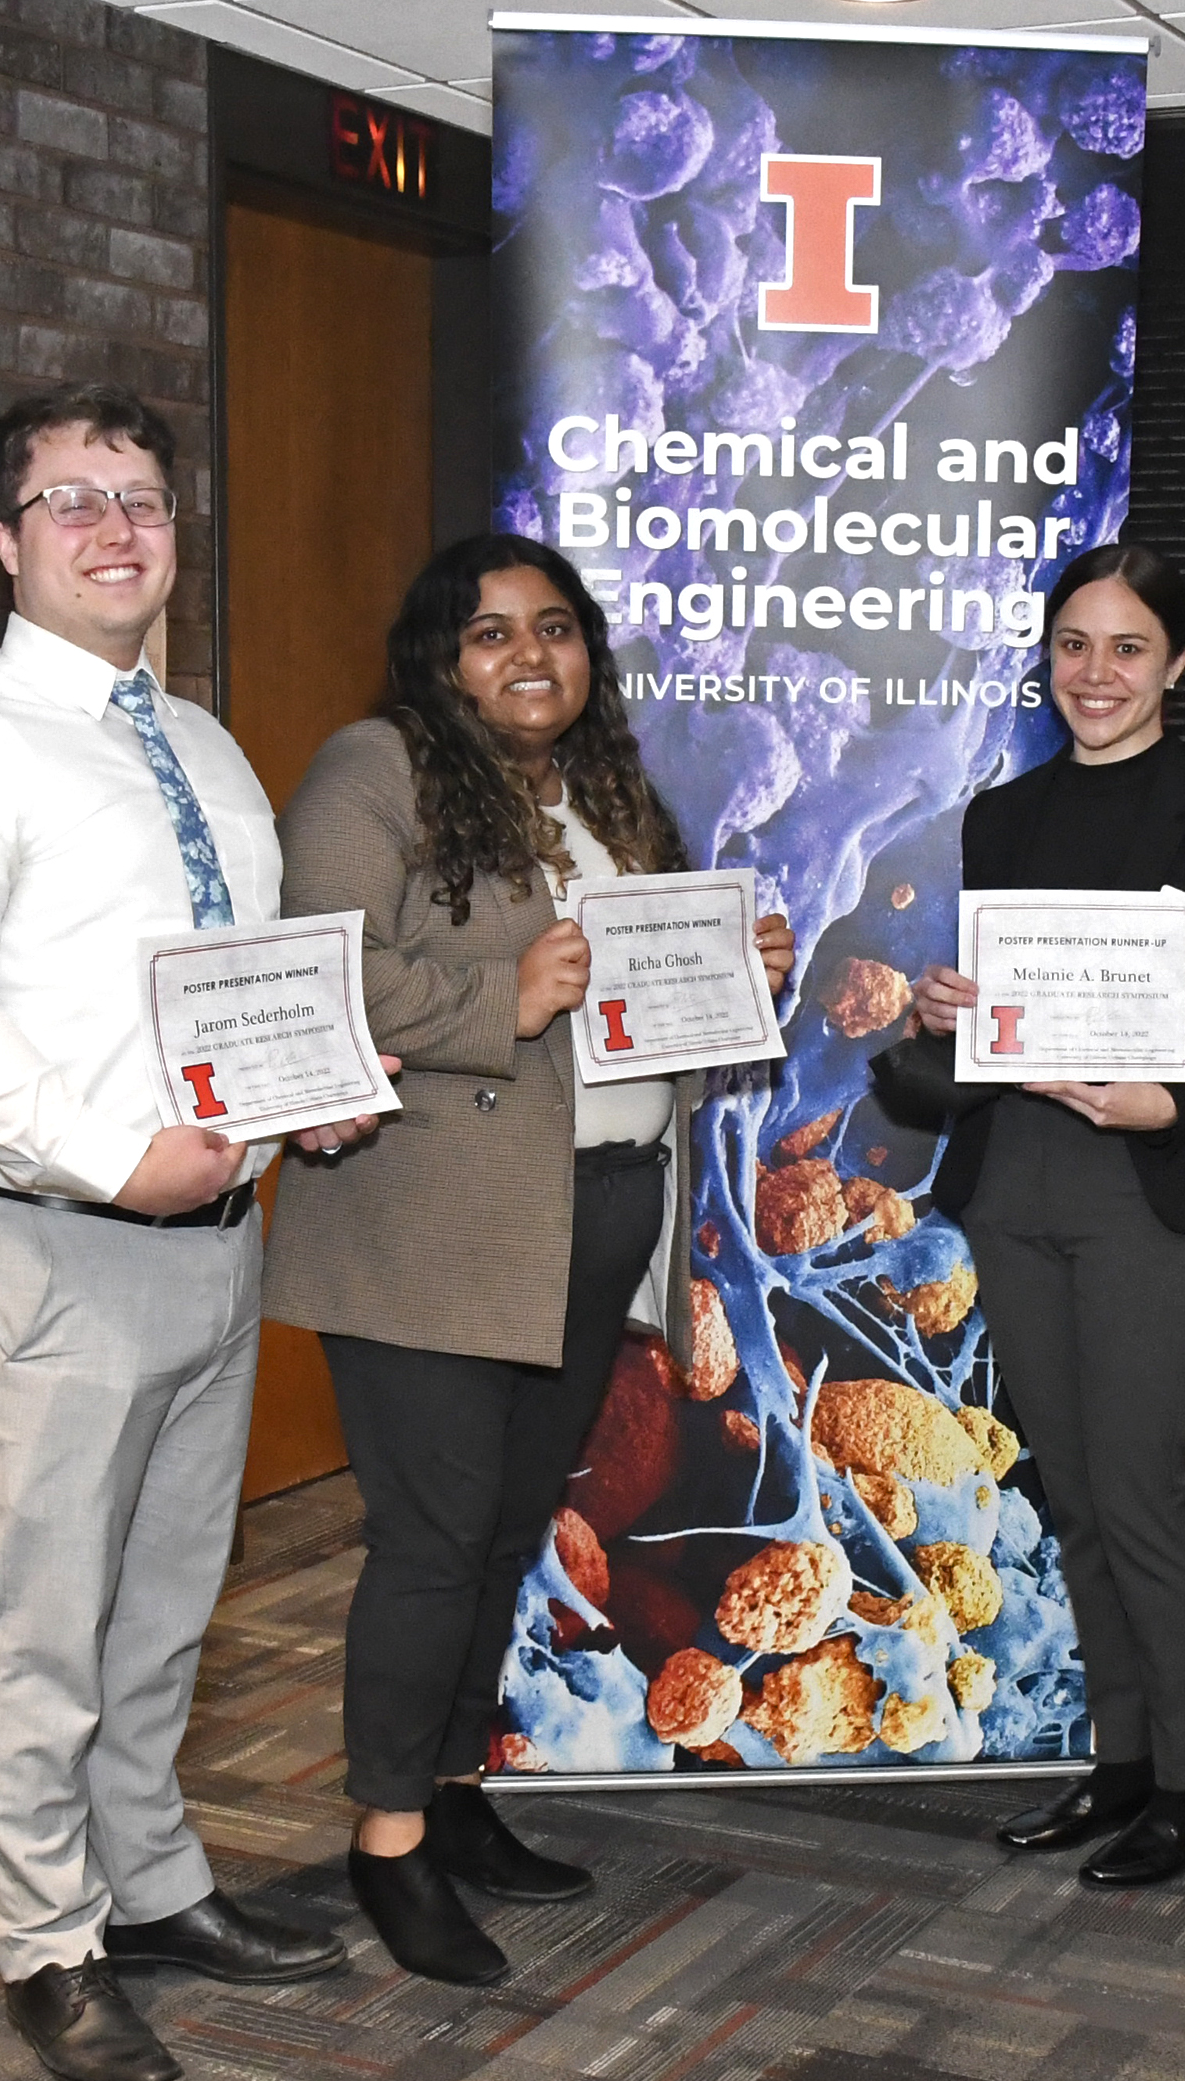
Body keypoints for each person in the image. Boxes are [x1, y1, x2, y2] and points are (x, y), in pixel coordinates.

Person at [0, 386, 381, 2081]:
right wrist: (101, 1156)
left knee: (163, 1601)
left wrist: (309, 1090)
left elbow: (236, 983)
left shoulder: (203, 745)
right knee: (42, 1620)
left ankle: (148, 1883)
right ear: (5, 540)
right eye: (71, 499)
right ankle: (48, 1942)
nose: (116, 527)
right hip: (48, 1242)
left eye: (143, 497)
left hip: (213, 1236)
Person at [261, 535, 792, 1984]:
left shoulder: (605, 791)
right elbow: (321, 962)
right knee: (432, 1544)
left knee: (505, 1535)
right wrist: (506, 992)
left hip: (596, 1208)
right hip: (429, 1224)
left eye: (553, 629)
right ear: (440, 656)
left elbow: (657, 981)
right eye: (489, 633)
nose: (528, 657)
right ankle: (385, 1844)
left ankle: (450, 1794)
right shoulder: (375, 768)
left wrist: (745, 964)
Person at [908, 541, 1185, 1889]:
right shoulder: (1000, 818)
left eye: (1126, 647)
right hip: (1014, 1179)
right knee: (1066, 1489)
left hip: (1142, 1190)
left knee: (1137, 1491)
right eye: (1073, 644)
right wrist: (946, 1007)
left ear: (1176, 664)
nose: (1095, 673)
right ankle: (1119, 1758)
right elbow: (992, 1010)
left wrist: (1163, 1104)